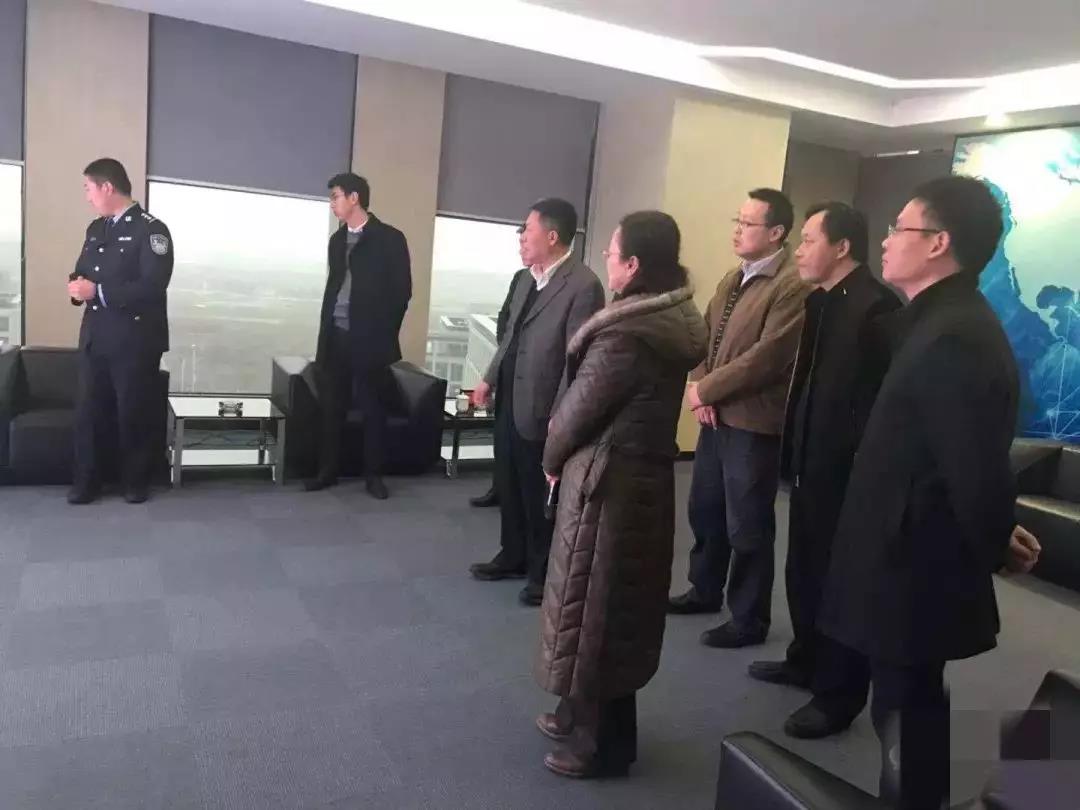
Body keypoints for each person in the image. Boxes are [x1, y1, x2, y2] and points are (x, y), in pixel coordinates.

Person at [817, 176, 1026, 809]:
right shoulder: (932, 320)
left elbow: (973, 464)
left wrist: (996, 535)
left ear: (938, 243)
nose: (884, 241)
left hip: (912, 559)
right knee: (904, 703)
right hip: (897, 545)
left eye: (898, 228)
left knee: (908, 706)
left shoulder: (956, 333)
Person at [535, 211, 708, 778]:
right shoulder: (663, 320)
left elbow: (577, 412)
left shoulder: (627, 335)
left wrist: (550, 458)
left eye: (612, 252)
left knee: (600, 611)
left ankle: (602, 746)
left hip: (610, 484)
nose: (606, 259)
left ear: (633, 265)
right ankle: (575, 712)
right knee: (600, 606)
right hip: (634, 478)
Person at [744, 202, 900, 738]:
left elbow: (879, 406)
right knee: (804, 569)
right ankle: (805, 660)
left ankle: (838, 695)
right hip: (811, 463)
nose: (800, 251)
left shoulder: (878, 309)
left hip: (850, 475)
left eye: (809, 240)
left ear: (842, 247)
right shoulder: (820, 301)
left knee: (842, 586)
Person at [670, 188, 810, 649]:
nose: (738, 230)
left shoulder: (792, 285)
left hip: (754, 421)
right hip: (716, 415)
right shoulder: (735, 277)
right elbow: (703, 338)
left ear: (776, 233)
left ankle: (749, 618)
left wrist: (707, 389)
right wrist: (702, 389)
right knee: (705, 507)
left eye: (748, 223)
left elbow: (768, 357)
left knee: (747, 521)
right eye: (738, 220)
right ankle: (704, 589)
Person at [468, 198, 604, 606]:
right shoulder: (527, 278)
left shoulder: (583, 285)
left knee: (539, 494)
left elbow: (576, 359)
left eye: (527, 230)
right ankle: (512, 554)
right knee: (509, 483)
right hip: (511, 398)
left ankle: (543, 573)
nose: (521, 238)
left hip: (545, 407)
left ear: (552, 235)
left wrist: (562, 414)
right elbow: (509, 337)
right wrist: (488, 379)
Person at [67, 158, 173, 505]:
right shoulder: (96, 228)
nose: (87, 196)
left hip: (134, 339)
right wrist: (76, 287)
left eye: (88, 188)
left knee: (132, 412)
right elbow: (82, 270)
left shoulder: (151, 230)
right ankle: (88, 481)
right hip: (96, 336)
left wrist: (96, 291)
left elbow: (152, 287)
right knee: (89, 412)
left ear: (107, 187)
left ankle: (135, 482)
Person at [305, 173, 411, 500]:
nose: (332, 203)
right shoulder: (337, 241)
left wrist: (383, 334)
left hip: (370, 341)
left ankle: (374, 476)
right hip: (335, 336)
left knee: (372, 409)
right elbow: (334, 287)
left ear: (354, 198)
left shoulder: (390, 238)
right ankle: (327, 472)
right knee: (331, 408)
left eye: (335, 196)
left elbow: (402, 293)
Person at [469, 263, 530, 509]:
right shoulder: (521, 277)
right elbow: (505, 318)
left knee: (522, 437)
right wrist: (507, 349)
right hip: (508, 367)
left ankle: (516, 494)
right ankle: (498, 488)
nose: (522, 248)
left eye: (525, 243)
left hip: (531, 374)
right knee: (501, 436)